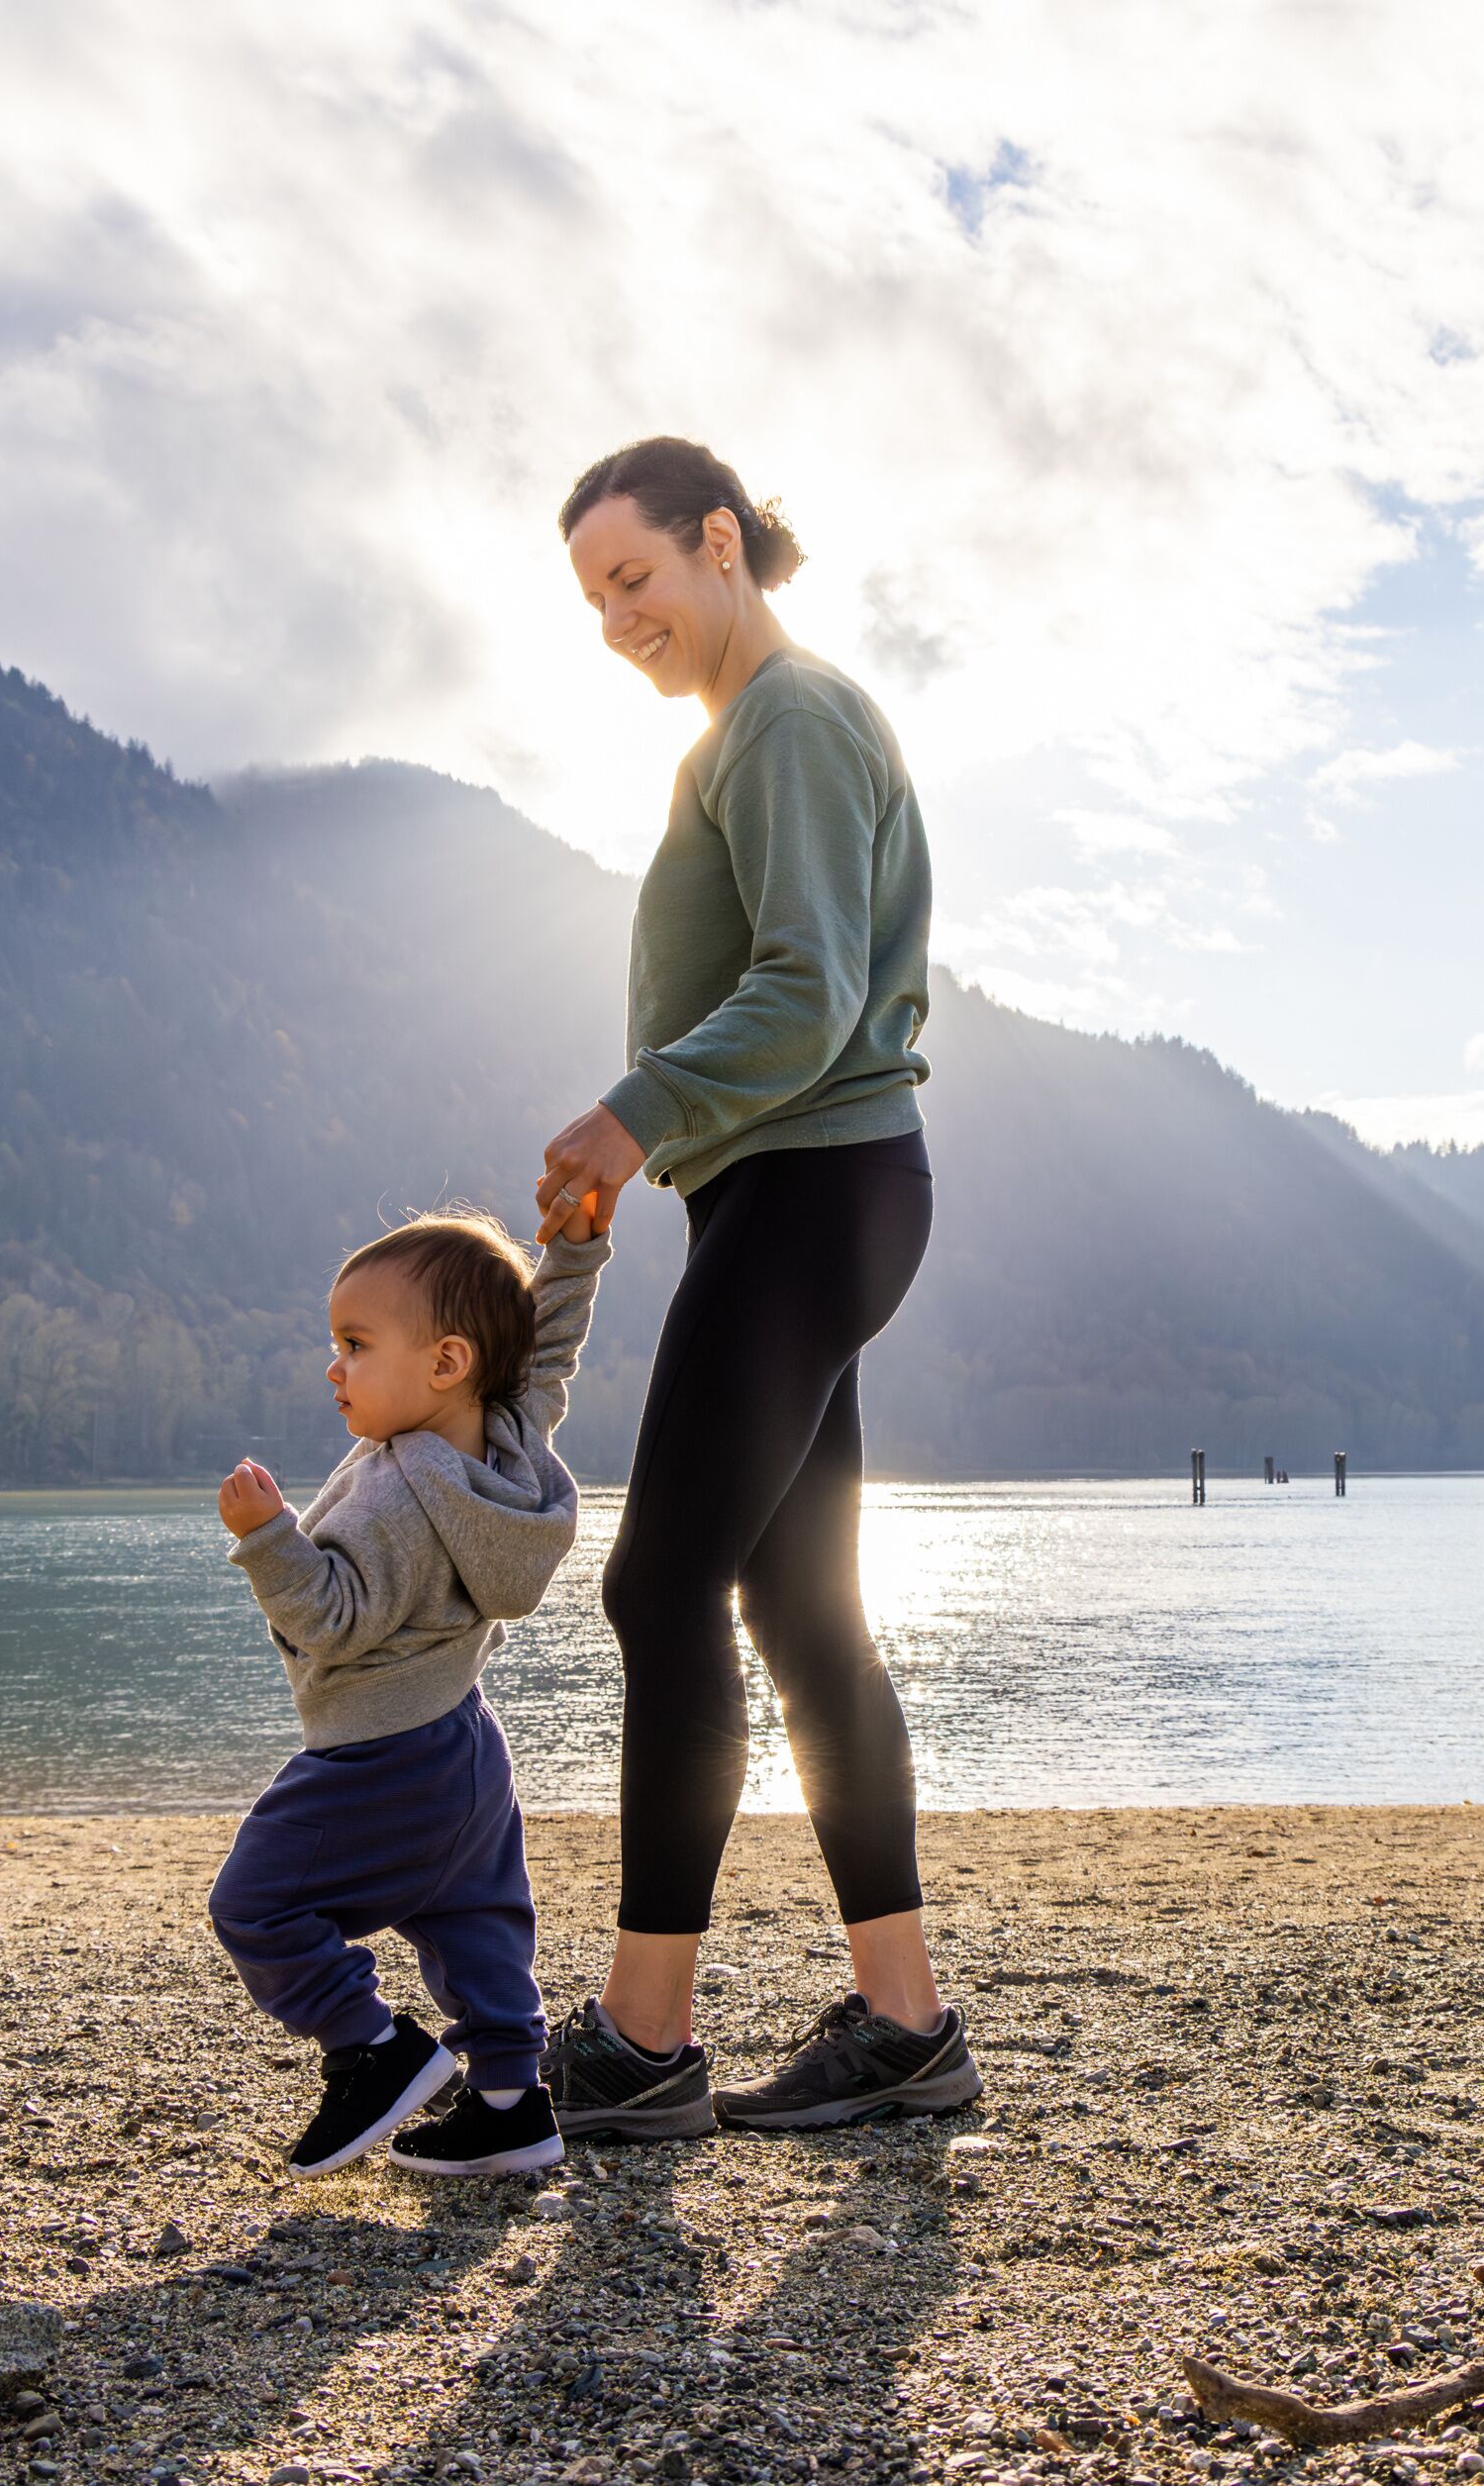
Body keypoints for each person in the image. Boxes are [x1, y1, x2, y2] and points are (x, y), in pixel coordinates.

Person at [531, 436, 979, 2136]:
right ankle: (906, 2026)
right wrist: (656, 1145)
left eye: (633, 577)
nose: (615, 619)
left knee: (661, 1592)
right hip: (802, 1197)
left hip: (812, 1191)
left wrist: (631, 1111)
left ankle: (642, 2043)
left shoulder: (786, 718)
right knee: (797, 1613)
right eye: (593, 598)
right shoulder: (752, 734)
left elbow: (810, 992)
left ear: (721, 542)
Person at [207, 1208, 610, 2176]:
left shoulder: (399, 1495)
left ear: (444, 1364)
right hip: (462, 1744)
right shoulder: (506, 1439)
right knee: (472, 1918)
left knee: (255, 1906)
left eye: (354, 1345)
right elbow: (545, 1344)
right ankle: (511, 2107)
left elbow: (333, 1617)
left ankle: (373, 2049)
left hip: (378, 1754)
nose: (334, 1368)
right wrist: (575, 1252)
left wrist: (269, 1539)